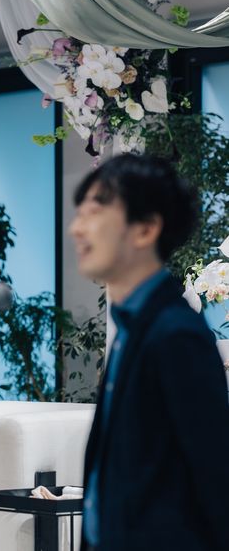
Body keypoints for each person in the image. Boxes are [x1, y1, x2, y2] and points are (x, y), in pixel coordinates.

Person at [70, 153, 229, 551]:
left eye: (94, 212)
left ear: (145, 229)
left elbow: (215, 477)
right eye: (79, 214)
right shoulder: (132, 328)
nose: (77, 228)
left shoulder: (176, 334)